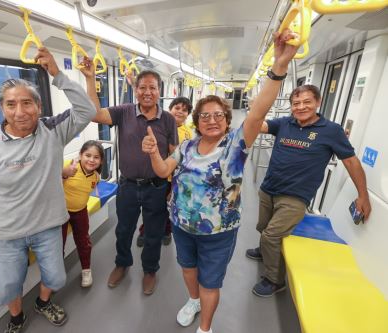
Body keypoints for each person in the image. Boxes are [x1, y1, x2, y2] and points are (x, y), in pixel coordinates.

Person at [141, 31, 299, 333]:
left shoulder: (235, 147)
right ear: (196, 122)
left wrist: (279, 66)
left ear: (227, 120)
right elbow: (163, 172)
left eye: (218, 116)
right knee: (188, 269)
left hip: (217, 231)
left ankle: (205, 328)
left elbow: (257, 113)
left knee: (210, 281)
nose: (211, 120)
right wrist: (152, 153)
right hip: (182, 225)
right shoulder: (186, 147)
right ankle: (193, 300)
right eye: (205, 116)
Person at [0, 47, 96, 333]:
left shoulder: (52, 130)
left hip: (48, 225)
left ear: (39, 107)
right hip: (5, 231)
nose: (20, 111)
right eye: (11, 104)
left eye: (27, 103)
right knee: (7, 286)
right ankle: (16, 318)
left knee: (56, 277)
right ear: (2, 108)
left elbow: (87, 110)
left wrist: (56, 73)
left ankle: (42, 302)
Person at [246, 83, 372, 297]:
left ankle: (275, 280)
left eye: (307, 102)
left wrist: (363, 195)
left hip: (295, 196)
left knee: (272, 235)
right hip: (269, 188)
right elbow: (257, 125)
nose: (301, 107)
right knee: (263, 226)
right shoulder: (284, 123)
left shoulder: (331, 131)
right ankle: (265, 251)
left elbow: (351, 162)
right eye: (296, 103)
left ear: (318, 102)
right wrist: (256, 107)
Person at [81, 64, 179, 295]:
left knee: (153, 232)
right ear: (135, 89)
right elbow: (95, 114)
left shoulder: (167, 120)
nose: (147, 92)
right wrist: (90, 79)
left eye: (152, 87)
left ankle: (150, 270)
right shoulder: (123, 112)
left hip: (156, 186)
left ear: (159, 90)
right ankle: (122, 264)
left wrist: (172, 183)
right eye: (142, 87)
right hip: (127, 186)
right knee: (123, 230)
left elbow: (175, 152)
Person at [136, 97, 193, 247]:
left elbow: (185, 160)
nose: (180, 112)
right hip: (155, 174)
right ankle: (145, 231)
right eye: (177, 107)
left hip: (173, 177)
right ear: (170, 109)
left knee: (168, 206)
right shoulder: (158, 126)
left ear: (188, 114)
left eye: (184, 109)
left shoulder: (188, 133)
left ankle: (167, 231)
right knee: (151, 207)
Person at [61, 140, 104, 288]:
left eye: (96, 157)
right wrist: (63, 174)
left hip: (80, 211)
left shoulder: (96, 177)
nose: (91, 160)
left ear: (101, 161)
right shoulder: (68, 166)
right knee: (58, 245)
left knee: (84, 242)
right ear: (80, 155)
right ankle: (56, 276)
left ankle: (86, 270)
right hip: (60, 213)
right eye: (88, 155)